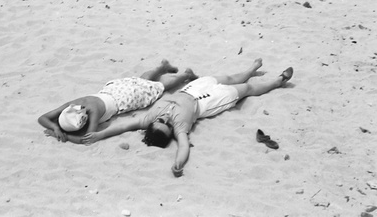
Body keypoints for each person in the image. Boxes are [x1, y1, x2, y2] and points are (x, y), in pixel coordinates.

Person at [81, 59, 293, 177]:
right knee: (244, 89)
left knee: (228, 78)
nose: (166, 120)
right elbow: (183, 147)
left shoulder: (147, 119)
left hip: (192, 88)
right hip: (207, 102)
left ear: (152, 124)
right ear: (172, 131)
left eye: (161, 122)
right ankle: (277, 82)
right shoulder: (180, 127)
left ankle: (250, 69)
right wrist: (178, 164)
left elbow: (122, 127)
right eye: (168, 126)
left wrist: (99, 135)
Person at [38, 59, 197, 144]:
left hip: (124, 100)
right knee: (139, 81)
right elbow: (42, 118)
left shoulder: (92, 111)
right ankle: (161, 69)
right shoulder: (70, 105)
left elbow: (88, 138)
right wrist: (53, 125)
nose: (83, 117)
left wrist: (56, 133)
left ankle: (184, 76)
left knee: (156, 88)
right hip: (112, 88)